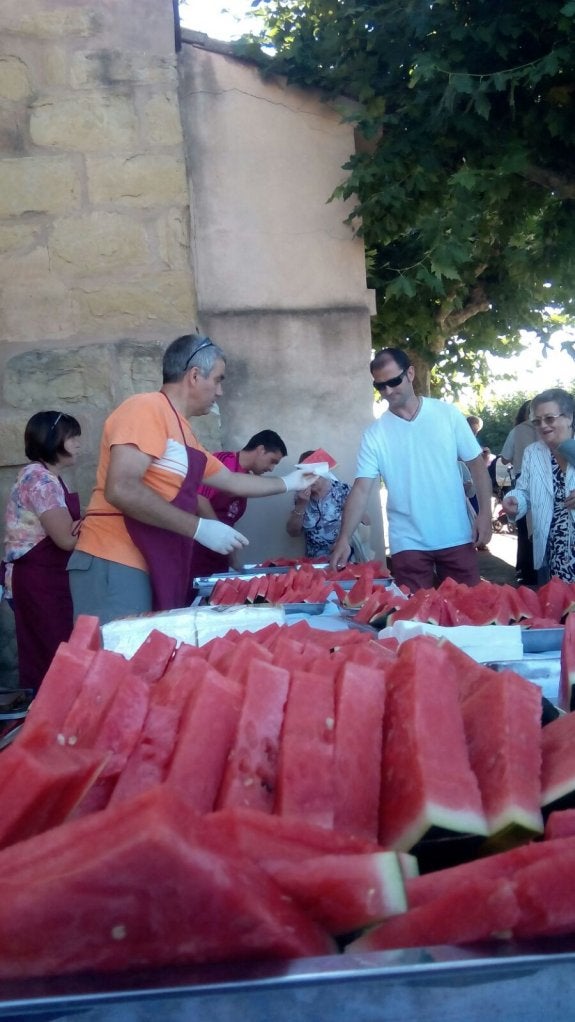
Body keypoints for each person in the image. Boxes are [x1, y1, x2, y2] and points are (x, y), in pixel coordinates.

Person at [67, 334, 316, 624]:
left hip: (150, 561)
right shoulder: (145, 408)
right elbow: (121, 488)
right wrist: (199, 528)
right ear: (195, 376)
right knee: (111, 662)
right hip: (114, 557)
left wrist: (290, 482)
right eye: (219, 380)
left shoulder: (185, 433)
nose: (220, 391)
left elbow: (232, 481)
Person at [328, 348, 493, 592]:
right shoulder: (375, 434)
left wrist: (485, 516)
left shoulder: (447, 414)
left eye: (394, 381)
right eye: (380, 386)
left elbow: (477, 465)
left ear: (411, 373)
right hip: (407, 543)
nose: (388, 391)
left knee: (468, 617)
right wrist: (343, 539)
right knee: (413, 623)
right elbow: (362, 489)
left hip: (456, 535)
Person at [2, 411, 82, 692]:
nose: (78, 443)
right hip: (40, 581)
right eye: (71, 437)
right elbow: (66, 539)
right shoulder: (42, 481)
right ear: (52, 440)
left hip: (46, 578)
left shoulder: (45, 476)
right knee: (52, 656)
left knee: (49, 652)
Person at [190, 429, 288, 578]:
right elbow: (199, 498)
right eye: (272, 461)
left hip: (218, 553)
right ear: (261, 450)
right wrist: (220, 533)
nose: (271, 468)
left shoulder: (245, 478)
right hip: (196, 549)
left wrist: (234, 560)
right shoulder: (224, 461)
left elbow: (229, 522)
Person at [502, 388, 575, 584]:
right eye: (537, 421)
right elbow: (525, 491)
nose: (543, 425)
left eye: (549, 418)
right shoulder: (533, 452)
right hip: (551, 554)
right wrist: (515, 500)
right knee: (555, 609)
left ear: (569, 417)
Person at [286, 449, 369, 559]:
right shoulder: (300, 496)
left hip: (345, 561)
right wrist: (301, 505)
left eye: (312, 474)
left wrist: (348, 512)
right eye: (304, 475)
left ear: (323, 472)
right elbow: (293, 532)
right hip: (314, 564)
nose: (309, 479)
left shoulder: (343, 491)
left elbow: (366, 522)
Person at [500, 399, 537, 584]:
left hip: (521, 480)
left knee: (524, 530)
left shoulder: (516, 431)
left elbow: (505, 458)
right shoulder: (550, 427)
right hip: (544, 480)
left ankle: (526, 569)